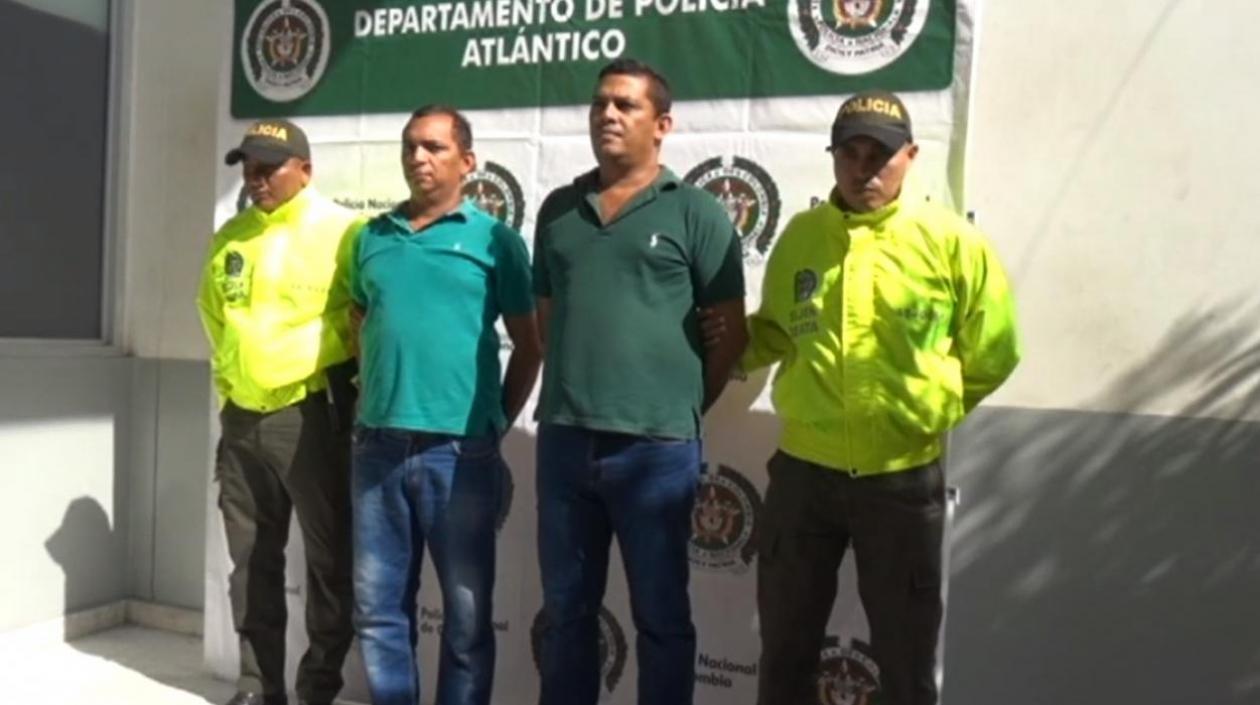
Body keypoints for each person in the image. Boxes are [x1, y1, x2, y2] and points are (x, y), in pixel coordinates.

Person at [709, 90, 1021, 705]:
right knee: (785, 654)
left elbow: (996, 349)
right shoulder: (801, 238)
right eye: (849, 153)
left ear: (910, 155)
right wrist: (707, 351)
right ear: (833, 158)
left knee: (906, 663)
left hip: (902, 483)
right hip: (803, 478)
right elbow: (775, 330)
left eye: (879, 154)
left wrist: (929, 411)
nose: (864, 169)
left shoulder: (952, 242)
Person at [530, 58, 748, 705]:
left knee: (661, 618)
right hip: (566, 442)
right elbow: (546, 321)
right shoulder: (558, 211)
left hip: (655, 452)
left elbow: (730, 336)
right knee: (566, 612)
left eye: (626, 105)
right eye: (600, 103)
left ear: (663, 124)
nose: (608, 115)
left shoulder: (698, 214)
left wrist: (672, 406)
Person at [348, 105, 542, 705]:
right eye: (410, 146)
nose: (418, 158)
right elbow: (360, 319)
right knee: (380, 612)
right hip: (377, 448)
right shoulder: (370, 238)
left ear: (467, 161)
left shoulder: (494, 241)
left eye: (433, 147)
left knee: (464, 618)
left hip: (459, 454)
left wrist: (491, 424)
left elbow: (530, 345)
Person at [197, 119, 362, 705]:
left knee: (328, 562)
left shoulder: (346, 231)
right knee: (250, 563)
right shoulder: (231, 237)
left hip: (311, 415)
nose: (255, 178)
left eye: (269, 167)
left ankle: (318, 687)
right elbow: (215, 319)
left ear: (305, 171)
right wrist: (233, 389)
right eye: (248, 166)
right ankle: (256, 687)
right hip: (242, 419)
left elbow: (367, 318)